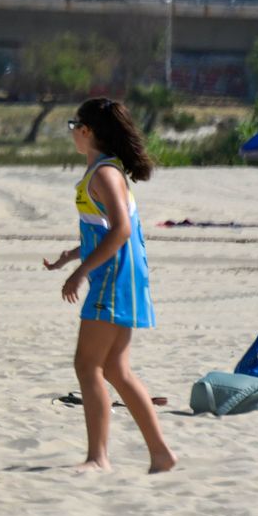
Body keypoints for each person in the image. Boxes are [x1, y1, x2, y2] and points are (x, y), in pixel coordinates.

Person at [43, 97, 177, 474]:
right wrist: (70, 257)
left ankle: (98, 457)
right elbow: (101, 231)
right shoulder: (104, 172)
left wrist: (81, 272)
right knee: (116, 370)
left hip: (113, 277)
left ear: (86, 131)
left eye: (74, 126)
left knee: (87, 366)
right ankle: (161, 453)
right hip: (126, 275)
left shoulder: (104, 174)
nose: (72, 134)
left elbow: (121, 230)